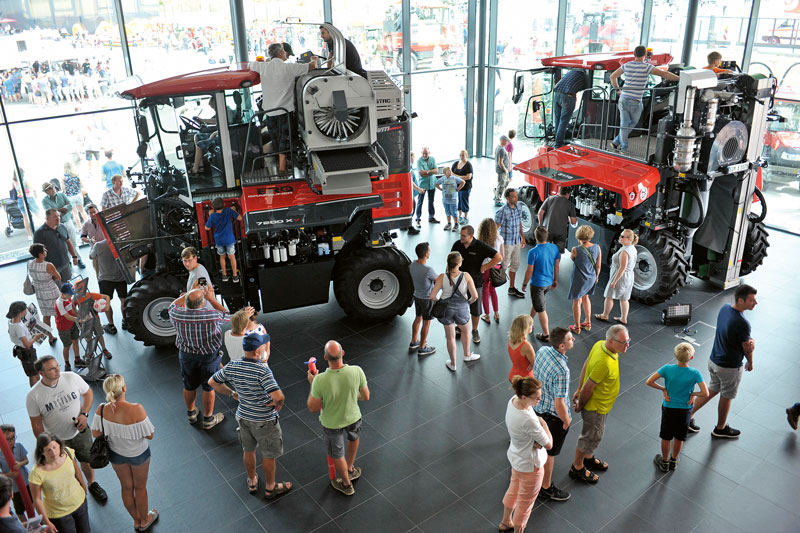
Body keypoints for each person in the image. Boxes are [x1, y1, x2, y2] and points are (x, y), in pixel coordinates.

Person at [209, 333, 291, 499]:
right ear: (257, 351)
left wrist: (232, 393)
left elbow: (213, 382)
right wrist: (277, 403)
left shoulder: (233, 366)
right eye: (262, 346)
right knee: (268, 454)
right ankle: (270, 487)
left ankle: (252, 481)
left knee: (248, 450)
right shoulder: (263, 371)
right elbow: (279, 396)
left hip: (243, 416)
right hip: (264, 421)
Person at [26, 356, 108, 504]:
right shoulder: (34, 396)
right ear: (41, 373)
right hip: (57, 440)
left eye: (57, 365)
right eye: (52, 368)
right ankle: (78, 490)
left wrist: (84, 414)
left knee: (86, 460)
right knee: (68, 466)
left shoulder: (71, 377)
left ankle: (92, 484)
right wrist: (48, 445)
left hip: (79, 432)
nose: (58, 370)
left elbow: (88, 393)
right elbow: (36, 424)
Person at [688, 284, 758, 439]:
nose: (755, 303)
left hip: (714, 361)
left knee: (713, 389)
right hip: (729, 367)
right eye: (752, 300)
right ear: (741, 300)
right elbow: (747, 348)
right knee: (727, 396)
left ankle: (686, 417)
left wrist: (749, 340)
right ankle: (720, 429)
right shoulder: (742, 323)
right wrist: (750, 362)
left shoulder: (725, 308)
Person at [91, 374, 158, 531]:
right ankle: (144, 520)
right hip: (138, 455)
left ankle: (136, 520)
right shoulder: (136, 409)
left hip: (115, 455)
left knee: (126, 487)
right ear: (124, 388)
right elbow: (150, 435)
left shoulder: (101, 409)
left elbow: (95, 434)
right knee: (140, 487)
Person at [307, 341, 370, 496]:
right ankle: (350, 468)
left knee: (337, 453)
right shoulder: (357, 371)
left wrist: (312, 383)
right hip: (354, 417)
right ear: (343, 353)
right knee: (353, 438)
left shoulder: (320, 380)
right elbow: (366, 397)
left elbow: (313, 407)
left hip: (332, 423)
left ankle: (347, 484)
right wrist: (350, 394)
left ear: (325, 357)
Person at [570, 325, 630, 484]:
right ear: (611, 341)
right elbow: (589, 387)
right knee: (591, 437)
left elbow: (586, 365)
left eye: (628, 341)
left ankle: (587, 458)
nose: (627, 345)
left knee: (592, 436)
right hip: (596, 408)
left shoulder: (599, 345)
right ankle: (577, 467)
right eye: (623, 342)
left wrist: (578, 388)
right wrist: (580, 404)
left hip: (602, 405)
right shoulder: (605, 362)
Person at [168, 285, 229, 430]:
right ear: (202, 303)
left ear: (186, 303)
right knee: (209, 387)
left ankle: (191, 414)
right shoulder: (212, 315)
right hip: (209, 357)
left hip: (186, 355)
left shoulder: (177, 314)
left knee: (188, 385)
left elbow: (172, 305)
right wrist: (211, 298)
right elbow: (226, 314)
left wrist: (188, 293)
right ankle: (208, 419)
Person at [251, 43, 318, 172]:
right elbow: (312, 67)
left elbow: (249, 65)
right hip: (284, 110)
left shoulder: (262, 66)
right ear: (281, 53)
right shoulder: (289, 68)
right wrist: (314, 59)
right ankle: (282, 168)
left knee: (275, 137)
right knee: (285, 138)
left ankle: (283, 163)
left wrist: (266, 61)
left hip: (269, 111)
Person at [498, 376, 552, 533]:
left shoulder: (513, 401)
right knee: (525, 502)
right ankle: (518, 530)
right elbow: (549, 444)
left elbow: (526, 429)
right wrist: (545, 425)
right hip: (531, 466)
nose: (539, 401)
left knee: (513, 490)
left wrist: (532, 439)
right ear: (524, 397)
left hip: (517, 458)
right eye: (536, 399)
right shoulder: (529, 420)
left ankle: (505, 522)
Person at [645, 342, 709, 472]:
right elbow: (705, 393)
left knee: (666, 436)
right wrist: (693, 393)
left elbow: (649, 381)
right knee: (679, 437)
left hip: (669, 407)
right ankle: (674, 460)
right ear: (691, 358)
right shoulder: (695, 373)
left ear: (675, 355)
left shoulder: (667, 369)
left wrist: (663, 389)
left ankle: (664, 462)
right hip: (685, 410)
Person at [610, 45, 679, 152]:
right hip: (635, 100)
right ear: (645, 55)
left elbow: (612, 76)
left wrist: (617, 90)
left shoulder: (627, 65)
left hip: (623, 98)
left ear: (634, 54)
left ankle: (616, 142)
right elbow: (665, 74)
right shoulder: (647, 67)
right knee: (632, 124)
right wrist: (680, 78)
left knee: (624, 124)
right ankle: (623, 147)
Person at [533, 327, 574, 502]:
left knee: (537, 443)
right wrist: (566, 421)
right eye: (571, 339)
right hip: (553, 417)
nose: (574, 340)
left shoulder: (542, 351)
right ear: (562, 346)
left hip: (537, 408)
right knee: (550, 452)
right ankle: (546, 487)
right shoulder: (562, 370)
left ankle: (531, 468)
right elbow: (559, 402)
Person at [28, 433, 90, 533]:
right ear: (41, 452)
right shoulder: (36, 473)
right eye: (48, 450)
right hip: (59, 515)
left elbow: (76, 469)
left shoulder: (68, 452)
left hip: (80, 503)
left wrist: (83, 486)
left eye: (54, 447)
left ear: (59, 445)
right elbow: (37, 499)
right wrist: (46, 521)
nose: (53, 452)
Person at [450, 225, 502, 345]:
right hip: (459, 282)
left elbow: (498, 257)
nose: (461, 238)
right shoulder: (457, 245)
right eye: (460, 235)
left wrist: (485, 267)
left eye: (464, 236)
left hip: (475, 283)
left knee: (476, 309)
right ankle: (460, 326)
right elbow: (451, 260)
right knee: (459, 307)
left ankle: (474, 330)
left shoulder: (480, 246)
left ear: (471, 236)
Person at [430, 252, 480, 371]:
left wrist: (439, 302)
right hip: (462, 309)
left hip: (446, 310)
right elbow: (475, 296)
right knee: (466, 332)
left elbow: (432, 296)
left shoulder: (442, 276)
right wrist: (467, 302)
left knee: (450, 337)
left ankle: (453, 363)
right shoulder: (466, 276)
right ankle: (467, 355)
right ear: (459, 263)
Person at [521, 226, 560, 343]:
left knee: (541, 309)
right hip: (548, 283)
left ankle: (546, 334)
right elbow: (556, 266)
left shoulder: (533, 252)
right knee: (537, 303)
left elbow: (529, 271)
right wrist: (555, 279)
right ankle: (530, 322)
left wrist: (524, 283)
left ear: (535, 237)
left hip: (538, 284)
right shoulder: (554, 248)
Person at [595, 229, 638, 325]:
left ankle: (605, 315)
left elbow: (622, 268)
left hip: (620, 277)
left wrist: (614, 281)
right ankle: (623, 318)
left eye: (623, 236)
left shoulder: (624, 252)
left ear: (629, 239)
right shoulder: (632, 248)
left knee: (609, 296)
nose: (620, 237)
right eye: (620, 235)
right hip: (629, 276)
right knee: (624, 298)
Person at [41, 183, 84, 268]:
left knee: (73, 241)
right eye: (50, 188)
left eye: (52, 187)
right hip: (57, 225)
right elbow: (50, 213)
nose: (53, 189)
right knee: (62, 244)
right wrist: (62, 210)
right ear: (46, 192)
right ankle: (68, 262)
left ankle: (78, 259)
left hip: (68, 221)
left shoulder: (62, 195)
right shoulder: (44, 201)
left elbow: (70, 206)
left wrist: (57, 211)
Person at [568, 225, 601, 334]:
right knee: (586, 298)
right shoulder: (597, 247)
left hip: (580, 279)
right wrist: (596, 277)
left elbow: (573, 259)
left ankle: (577, 327)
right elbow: (598, 266)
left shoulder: (575, 249)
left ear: (579, 236)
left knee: (577, 301)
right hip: (591, 277)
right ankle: (588, 322)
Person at [495, 188, 527, 299]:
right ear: (507, 198)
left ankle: (512, 288)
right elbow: (495, 229)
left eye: (516, 196)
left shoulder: (519, 206)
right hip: (507, 243)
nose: (516, 198)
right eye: (513, 196)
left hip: (516, 241)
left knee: (515, 265)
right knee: (502, 266)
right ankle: (490, 287)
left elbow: (519, 223)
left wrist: (522, 237)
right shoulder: (502, 211)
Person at [90, 240, 127, 333]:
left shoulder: (98, 245)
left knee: (106, 302)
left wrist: (92, 246)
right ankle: (125, 322)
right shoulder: (120, 243)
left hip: (105, 278)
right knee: (123, 300)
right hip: (120, 277)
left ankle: (111, 325)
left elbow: (91, 257)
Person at [33, 210, 79, 284]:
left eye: (58, 216)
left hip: (65, 263)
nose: (58, 218)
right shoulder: (40, 233)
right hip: (52, 267)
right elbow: (38, 253)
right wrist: (46, 268)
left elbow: (68, 242)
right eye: (55, 216)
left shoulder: (62, 227)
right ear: (47, 218)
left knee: (67, 286)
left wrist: (74, 256)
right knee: (57, 289)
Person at [409, 242, 437, 357]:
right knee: (426, 322)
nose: (430, 252)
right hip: (426, 299)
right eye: (429, 250)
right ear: (426, 254)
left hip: (417, 296)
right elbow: (438, 280)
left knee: (418, 318)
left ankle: (414, 341)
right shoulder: (428, 269)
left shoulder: (412, 265)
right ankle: (422, 347)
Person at [205, 198, 243, 283]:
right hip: (229, 240)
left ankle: (224, 275)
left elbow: (207, 228)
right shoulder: (228, 211)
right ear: (224, 204)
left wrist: (210, 215)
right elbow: (240, 218)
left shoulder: (212, 216)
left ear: (213, 207)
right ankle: (235, 276)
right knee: (232, 257)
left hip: (219, 240)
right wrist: (234, 210)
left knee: (222, 256)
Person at [7, 302, 45, 387]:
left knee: (34, 370)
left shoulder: (11, 321)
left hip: (21, 350)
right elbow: (27, 345)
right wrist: (35, 337)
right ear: (19, 313)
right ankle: (35, 391)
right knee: (33, 373)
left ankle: (39, 388)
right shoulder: (18, 327)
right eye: (25, 310)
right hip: (27, 352)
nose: (26, 311)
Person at [0, 425, 31, 520]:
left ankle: (36, 522)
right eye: (8, 439)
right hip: (14, 487)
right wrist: (8, 475)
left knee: (31, 503)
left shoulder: (19, 446)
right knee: (19, 509)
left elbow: (26, 460)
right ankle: (26, 526)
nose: (11, 441)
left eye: (13, 438)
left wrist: (20, 463)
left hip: (26, 481)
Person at [553, 69, 589, 147]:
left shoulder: (569, 72)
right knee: (564, 121)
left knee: (557, 120)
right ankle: (559, 143)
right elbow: (587, 88)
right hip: (568, 96)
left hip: (556, 94)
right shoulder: (583, 76)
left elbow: (556, 85)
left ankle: (556, 140)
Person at [477, 218, 503, 323]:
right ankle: (496, 313)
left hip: (485, 269)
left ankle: (487, 316)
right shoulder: (499, 238)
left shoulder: (480, 242)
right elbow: (503, 255)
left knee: (484, 291)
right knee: (493, 290)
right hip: (496, 268)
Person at [537, 187, 577, 254]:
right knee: (558, 253)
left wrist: (541, 224)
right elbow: (573, 222)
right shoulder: (570, 204)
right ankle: (556, 264)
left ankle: (547, 263)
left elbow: (540, 213)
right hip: (560, 233)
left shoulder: (549, 199)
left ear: (559, 191)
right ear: (567, 194)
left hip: (547, 230)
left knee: (545, 250)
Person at [414, 147, 439, 226]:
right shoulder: (419, 161)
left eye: (426, 153)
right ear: (421, 153)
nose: (425, 155)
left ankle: (431, 217)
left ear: (429, 153)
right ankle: (418, 219)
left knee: (431, 201)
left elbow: (436, 171)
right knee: (420, 202)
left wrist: (427, 171)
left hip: (432, 184)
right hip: (422, 185)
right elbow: (421, 173)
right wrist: (431, 171)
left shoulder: (432, 159)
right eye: (423, 153)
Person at [435, 167, 464, 231]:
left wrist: (458, 189)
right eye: (448, 171)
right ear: (445, 172)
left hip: (453, 199)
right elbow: (436, 184)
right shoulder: (442, 179)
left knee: (454, 212)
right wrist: (440, 189)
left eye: (450, 171)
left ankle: (456, 224)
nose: (450, 172)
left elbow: (462, 182)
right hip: (445, 199)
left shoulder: (454, 178)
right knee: (447, 212)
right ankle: (449, 223)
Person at [507, 315, 535, 382]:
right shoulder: (526, 346)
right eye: (531, 324)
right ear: (526, 328)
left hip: (513, 376)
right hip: (526, 379)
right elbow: (535, 364)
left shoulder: (510, 340)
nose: (532, 325)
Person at [451, 150, 473, 225]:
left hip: (465, 187)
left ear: (466, 155)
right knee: (459, 201)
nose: (461, 157)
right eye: (460, 155)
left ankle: (466, 217)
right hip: (457, 187)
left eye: (463, 155)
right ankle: (460, 215)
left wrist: (457, 176)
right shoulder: (456, 163)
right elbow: (451, 173)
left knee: (464, 201)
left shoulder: (468, 165)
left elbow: (468, 177)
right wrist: (459, 177)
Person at [406, 151, 422, 235]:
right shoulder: (408, 168)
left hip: (410, 193)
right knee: (411, 209)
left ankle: (404, 225)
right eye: (412, 157)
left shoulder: (409, 167)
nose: (413, 159)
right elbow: (411, 182)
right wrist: (419, 189)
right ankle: (410, 227)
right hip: (409, 193)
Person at [494, 136, 510, 207]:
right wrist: (505, 170)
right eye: (506, 141)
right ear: (503, 140)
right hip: (502, 170)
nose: (507, 142)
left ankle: (496, 195)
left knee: (501, 184)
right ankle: (498, 200)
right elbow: (500, 162)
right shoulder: (502, 150)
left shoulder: (498, 148)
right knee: (501, 185)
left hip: (500, 170)